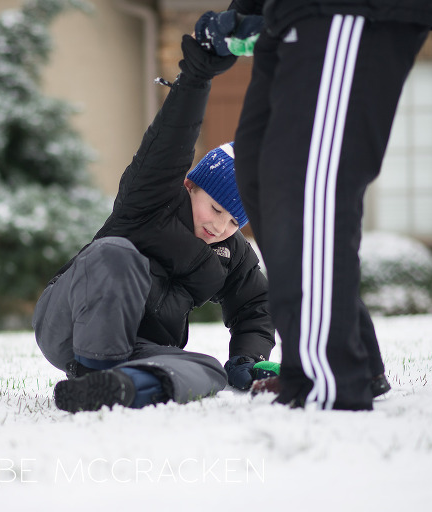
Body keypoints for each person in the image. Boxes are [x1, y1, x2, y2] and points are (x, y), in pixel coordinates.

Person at [195, 0, 432, 410]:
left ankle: (330, 375)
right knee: (260, 177)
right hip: (285, 17)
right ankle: (346, 359)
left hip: (345, 8)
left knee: (307, 182)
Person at [32, 33, 276, 413]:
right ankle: (94, 368)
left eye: (233, 221)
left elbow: (255, 305)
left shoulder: (230, 252)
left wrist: (247, 358)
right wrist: (196, 78)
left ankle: (119, 387)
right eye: (214, 208)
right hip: (69, 322)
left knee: (207, 369)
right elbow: (168, 144)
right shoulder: (150, 198)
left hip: (134, 348)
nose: (219, 226)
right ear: (189, 185)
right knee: (116, 253)